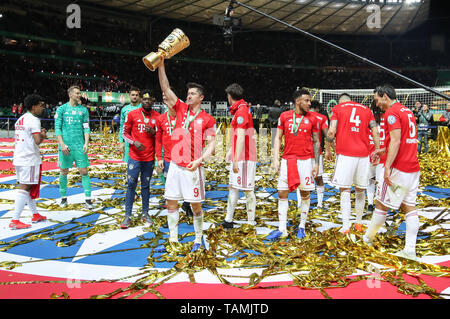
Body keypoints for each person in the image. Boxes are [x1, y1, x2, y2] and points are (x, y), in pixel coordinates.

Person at [156, 58, 216, 253]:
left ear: (201, 98)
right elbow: (165, 88)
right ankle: (173, 238)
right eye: (188, 93)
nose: (188, 96)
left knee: (196, 207)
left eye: (192, 94)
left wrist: (199, 160)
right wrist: (161, 65)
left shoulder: (207, 119)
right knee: (171, 202)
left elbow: (212, 145)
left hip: (193, 167)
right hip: (175, 164)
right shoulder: (181, 109)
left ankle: (198, 238)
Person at [364, 84, 421, 260]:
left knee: (382, 204)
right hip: (412, 167)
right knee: (409, 206)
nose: (376, 103)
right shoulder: (407, 111)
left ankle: (367, 239)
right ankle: (410, 250)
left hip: (398, 169)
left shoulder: (391, 113)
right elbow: (404, 139)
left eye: (377, 99)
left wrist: (387, 166)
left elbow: (396, 141)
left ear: (385, 97)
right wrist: (383, 150)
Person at [268, 88, 320, 241]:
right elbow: (278, 138)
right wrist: (275, 159)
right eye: (307, 100)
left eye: (309, 101)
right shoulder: (284, 116)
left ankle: (302, 227)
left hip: (305, 162)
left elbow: (316, 142)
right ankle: (282, 228)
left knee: (305, 194)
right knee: (282, 193)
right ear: (298, 101)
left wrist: (316, 163)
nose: (309, 103)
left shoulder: (313, 119)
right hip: (287, 160)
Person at [325, 93, 380, 233]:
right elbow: (375, 131)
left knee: (345, 189)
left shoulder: (338, 108)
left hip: (345, 154)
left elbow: (331, 132)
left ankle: (345, 226)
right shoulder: (366, 110)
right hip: (363, 154)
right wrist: (378, 151)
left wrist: (328, 150)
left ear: (341, 101)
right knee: (360, 190)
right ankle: (359, 223)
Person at [120, 89, 160, 229]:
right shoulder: (132, 114)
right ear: (141, 100)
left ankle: (145, 213)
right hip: (134, 157)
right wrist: (133, 142)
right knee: (131, 185)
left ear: (153, 101)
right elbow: (124, 133)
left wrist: (154, 133)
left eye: (150, 100)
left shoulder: (158, 116)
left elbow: (161, 137)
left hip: (149, 158)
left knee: (146, 186)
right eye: (145, 99)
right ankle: (127, 216)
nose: (147, 101)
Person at [220, 83, 257, 229]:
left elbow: (241, 137)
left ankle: (250, 221)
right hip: (241, 155)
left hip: (245, 157)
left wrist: (235, 159)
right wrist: (231, 151)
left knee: (248, 190)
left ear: (230, 97)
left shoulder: (241, 111)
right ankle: (228, 220)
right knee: (233, 187)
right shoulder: (240, 110)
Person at [10, 94, 47, 229]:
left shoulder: (21, 119)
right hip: (29, 158)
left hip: (19, 157)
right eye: (40, 105)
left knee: (28, 186)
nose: (42, 108)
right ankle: (15, 220)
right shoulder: (33, 120)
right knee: (25, 187)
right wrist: (43, 135)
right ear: (34, 106)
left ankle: (35, 214)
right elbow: (37, 141)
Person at [155, 91, 193, 216]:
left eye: (169, 98)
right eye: (165, 99)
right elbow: (158, 140)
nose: (167, 101)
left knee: (188, 185)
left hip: (184, 158)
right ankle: (172, 215)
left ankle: (187, 205)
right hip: (168, 158)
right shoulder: (160, 119)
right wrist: (159, 158)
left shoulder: (184, 117)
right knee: (171, 188)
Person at [54, 85, 93, 209]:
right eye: (76, 93)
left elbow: (86, 127)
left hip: (79, 146)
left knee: (84, 171)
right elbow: (57, 128)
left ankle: (88, 200)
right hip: (66, 147)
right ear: (70, 94)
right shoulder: (61, 109)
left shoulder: (84, 110)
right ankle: (63, 199)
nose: (79, 95)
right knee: (64, 171)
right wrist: (62, 144)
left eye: (79, 93)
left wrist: (86, 143)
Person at [299, 99, 328, 210]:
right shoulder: (322, 118)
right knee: (319, 178)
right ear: (318, 108)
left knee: (301, 178)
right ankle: (320, 204)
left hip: (302, 152)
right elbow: (327, 135)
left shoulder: (300, 117)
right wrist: (330, 149)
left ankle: (300, 204)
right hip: (316, 152)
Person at [119, 88, 141, 162]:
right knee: (129, 165)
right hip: (128, 141)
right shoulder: (124, 109)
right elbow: (122, 126)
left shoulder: (143, 108)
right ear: (129, 96)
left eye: (136, 95)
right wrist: (121, 141)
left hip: (141, 141)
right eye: (133, 95)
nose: (134, 97)